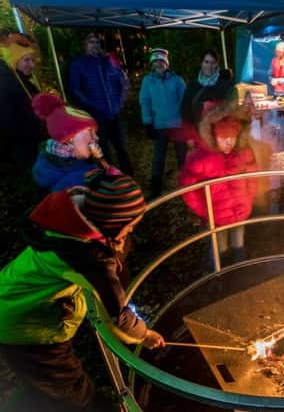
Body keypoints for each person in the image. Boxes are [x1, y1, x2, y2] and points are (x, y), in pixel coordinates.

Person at [0, 168, 165, 411]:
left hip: (13, 294)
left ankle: (41, 391)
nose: (130, 232)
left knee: (45, 381)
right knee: (70, 387)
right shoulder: (89, 259)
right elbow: (118, 316)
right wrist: (146, 336)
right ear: (110, 226)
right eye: (129, 227)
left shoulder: (67, 217)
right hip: (25, 330)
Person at [178, 103, 257, 265]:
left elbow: (253, 175)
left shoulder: (243, 152)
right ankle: (217, 274)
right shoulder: (201, 158)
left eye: (232, 138)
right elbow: (187, 186)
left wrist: (248, 197)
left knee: (239, 242)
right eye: (223, 139)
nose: (229, 143)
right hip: (216, 216)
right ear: (213, 137)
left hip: (240, 212)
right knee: (219, 246)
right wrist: (203, 209)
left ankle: (239, 267)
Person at [68, 33, 132, 175]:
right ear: (84, 45)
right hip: (96, 116)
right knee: (103, 150)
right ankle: (110, 181)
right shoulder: (78, 63)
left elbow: (124, 82)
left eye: (97, 42)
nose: (95, 45)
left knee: (122, 148)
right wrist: (92, 107)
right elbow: (75, 90)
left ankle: (129, 178)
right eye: (91, 42)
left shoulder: (108, 61)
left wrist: (119, 104)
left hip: (115, 114)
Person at [139, 48, 187, 199]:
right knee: (158, 157)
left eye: (162, 61)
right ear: (152, 64)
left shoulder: (177, 80)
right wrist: (147, 122)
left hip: (177, 124)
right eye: (156, 61)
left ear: (167, 64)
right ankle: (155, 188)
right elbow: (144, 101)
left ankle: (187, 184)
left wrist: (185, 121)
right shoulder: (148, 81)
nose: (159, 64)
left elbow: (184, 101)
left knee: (182, 155)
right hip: (159, 124)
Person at [31, 93, 101, 193]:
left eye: (95, 132)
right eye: (90, 132)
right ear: (69, 140)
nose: (97, 138)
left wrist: (98, 160)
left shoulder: (49, 161)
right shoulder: (74, 184)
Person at [0, 32, 47, 167]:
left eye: (32, 60)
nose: (32, 65)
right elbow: (9, 123)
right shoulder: (5, 83)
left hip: (35, 146)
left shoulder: (22, 80)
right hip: (26, 152)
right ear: (14, 61)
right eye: (26, 60)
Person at [181, 49, 234, 129]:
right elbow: (186, 113)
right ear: (201, 63)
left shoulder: (226, 84)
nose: (209, 66)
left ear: (217, 64)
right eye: (206, 62)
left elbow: (234, 109)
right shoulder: (193, 86)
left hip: (222, 134)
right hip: (198, 134)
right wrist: (190, 137)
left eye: (213, 63)